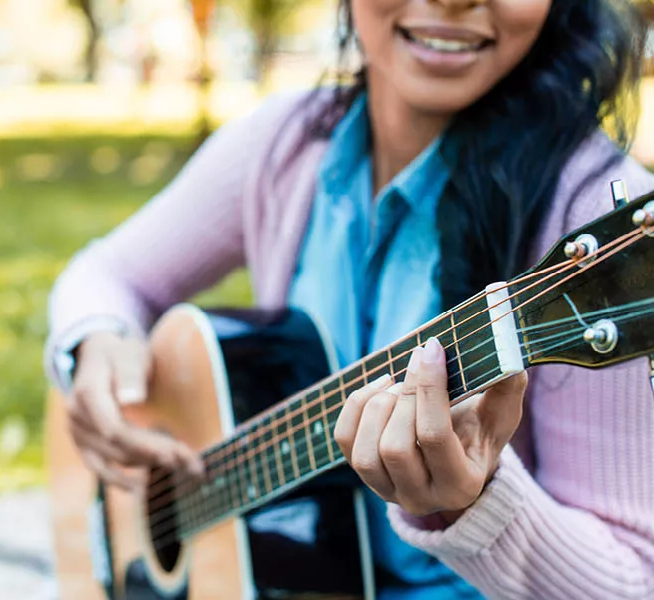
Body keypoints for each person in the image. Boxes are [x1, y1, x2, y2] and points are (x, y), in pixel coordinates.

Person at [45, 0, 654, 597]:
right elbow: (107, 274)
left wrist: (482, 504)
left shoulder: (599, 223)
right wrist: (96, 343)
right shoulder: (284, 145)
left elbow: (635, 579)